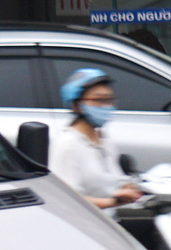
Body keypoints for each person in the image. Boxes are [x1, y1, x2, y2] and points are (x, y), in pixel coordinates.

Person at [50, 67, 142, 210]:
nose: (106, 106)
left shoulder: (103, 139)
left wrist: (129, 186)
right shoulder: (68, 144)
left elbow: (115, 179)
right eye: (99, 100)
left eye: (109, 100)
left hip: (111, 222)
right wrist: (113, 202)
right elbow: (67, 199)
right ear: (77, 105)